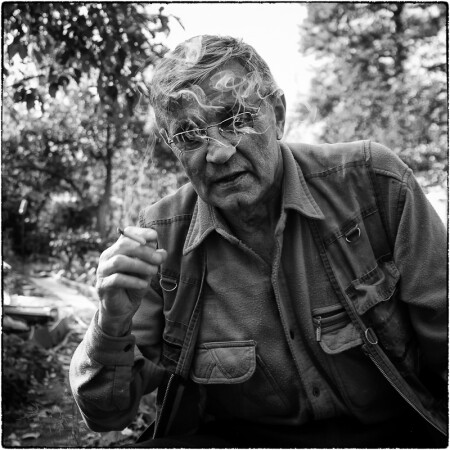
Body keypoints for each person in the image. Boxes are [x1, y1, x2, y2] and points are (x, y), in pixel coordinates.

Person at [70, 35, 447, 448]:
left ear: (278, 115)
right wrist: (111, 321)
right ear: (172, 147)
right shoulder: (161, 242)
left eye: (236, 119)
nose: (218, 152)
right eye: (190, 134)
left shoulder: (373, 184)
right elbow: (105, 414)